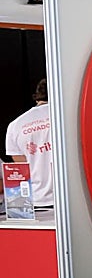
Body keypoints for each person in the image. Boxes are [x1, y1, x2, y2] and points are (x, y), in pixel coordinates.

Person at [5, 78, 53, 208]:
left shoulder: (15, 125)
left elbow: (21, 167)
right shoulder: (65, 116)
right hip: (68, 196)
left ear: (36, 96)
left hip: (36, 201)